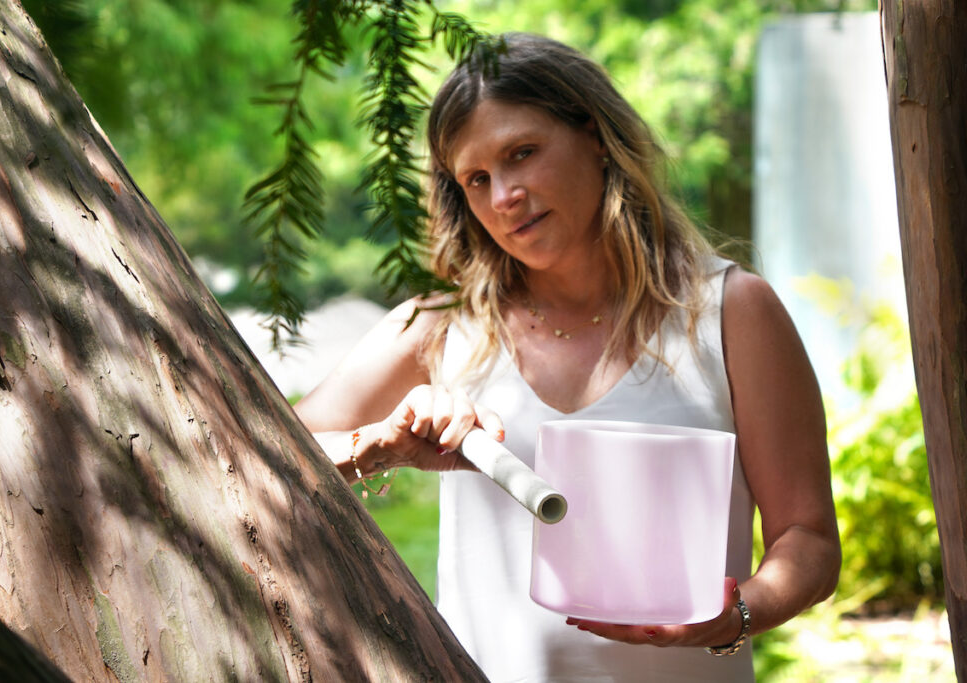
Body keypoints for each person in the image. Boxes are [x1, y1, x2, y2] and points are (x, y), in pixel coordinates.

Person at [295, 32, 841, 682]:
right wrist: (382, 442)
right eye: (476, 179)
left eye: (521, 153)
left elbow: (807, 538)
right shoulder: (439, 327)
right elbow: (261, 452)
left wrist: (738, 612)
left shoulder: (732, 312)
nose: (503, 196)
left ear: (596, 136)